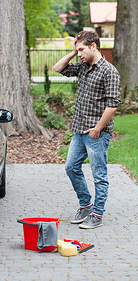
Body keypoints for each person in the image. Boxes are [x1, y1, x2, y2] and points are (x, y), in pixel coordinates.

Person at [53, 31, 120, 229]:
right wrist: (74, 53)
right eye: (76, 49)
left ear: (93, 46)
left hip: (96, 133)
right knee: (71, 168)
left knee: (99, 175)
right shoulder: (83, 67)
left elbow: (113, 104)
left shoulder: (109, 71)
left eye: (81, 49)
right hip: (79, 130)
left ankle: (97, 214)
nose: (78, 53)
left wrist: (98, 128)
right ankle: (86, 205)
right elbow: (58, 68)